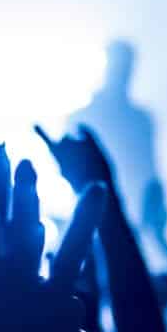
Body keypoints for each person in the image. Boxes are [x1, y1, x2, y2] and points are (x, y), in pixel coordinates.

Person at [66, 39, 160, 220]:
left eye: (126, 67)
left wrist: (154, 200)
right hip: (95, 208)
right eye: (119, 65)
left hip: (133, 207)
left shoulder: (140, 121)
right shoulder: (83, 118)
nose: (122, 73)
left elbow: (150, 165)